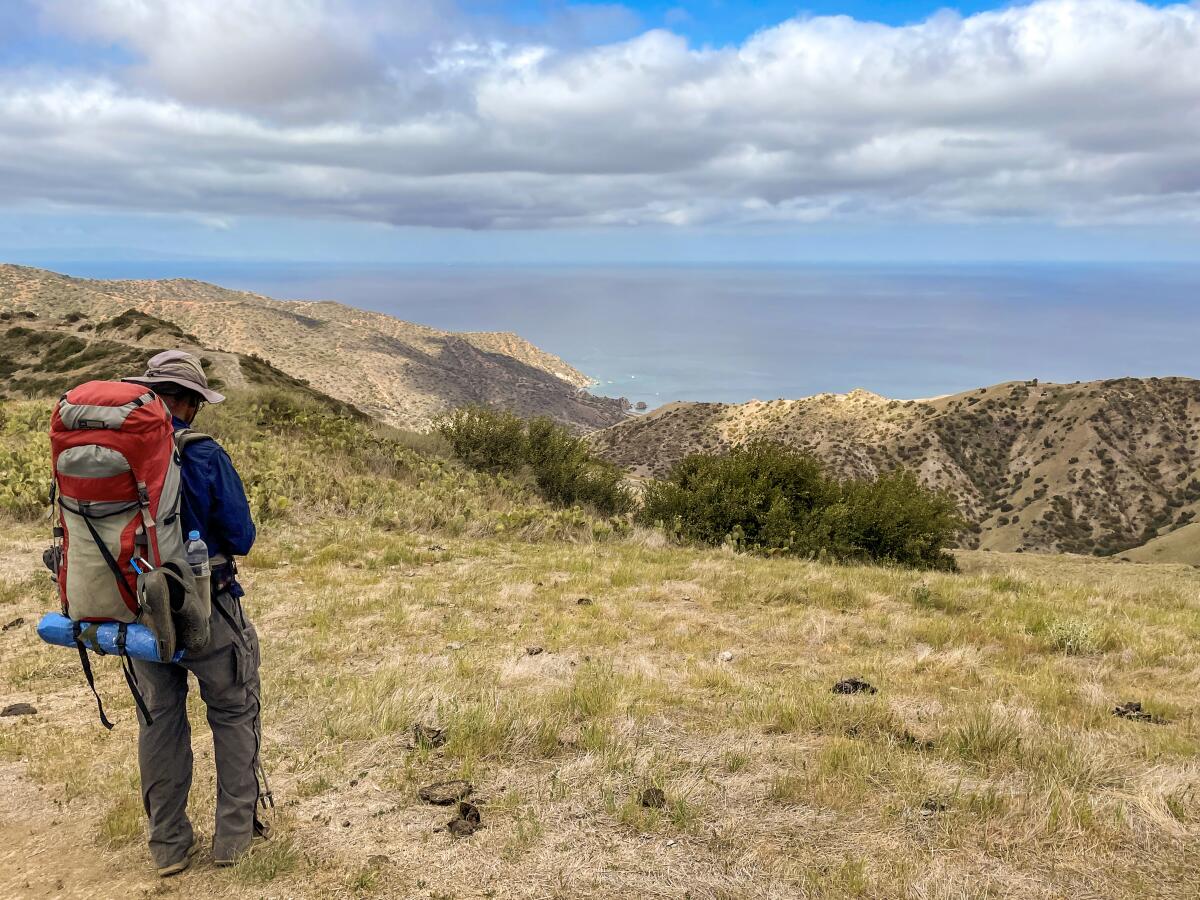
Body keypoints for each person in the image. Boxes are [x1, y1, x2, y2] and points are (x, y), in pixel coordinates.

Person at [123, 350, 270, 877]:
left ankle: (167, 847)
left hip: (138, 613)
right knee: (232, 714)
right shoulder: (202, 453)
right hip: (208, 608)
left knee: (159, 722)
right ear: (186, 400)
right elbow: (242, 536)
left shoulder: (116, 454)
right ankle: (232, 841)